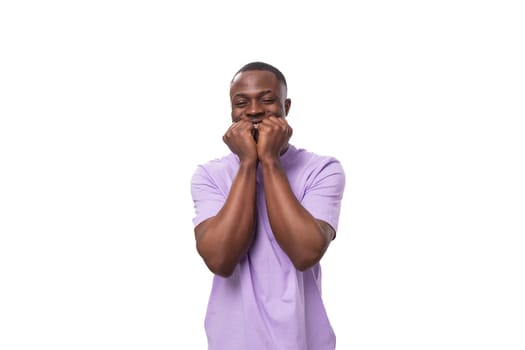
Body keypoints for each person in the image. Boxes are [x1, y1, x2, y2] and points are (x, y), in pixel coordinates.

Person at [190, 61, 346, 349]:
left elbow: (305, 252)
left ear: (286, 105)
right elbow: (220, 260)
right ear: (231, 111)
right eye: (241, 103)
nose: (253, 111)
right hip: (233, 342)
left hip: (305, 340)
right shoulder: (209, 175)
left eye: (266, 99)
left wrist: (270, 160)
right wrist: (249, 163)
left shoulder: (322, 170)